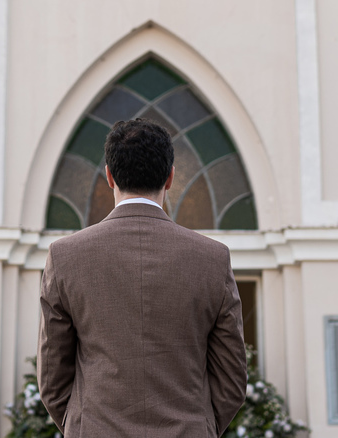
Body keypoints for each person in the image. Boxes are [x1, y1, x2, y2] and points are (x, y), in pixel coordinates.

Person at [37, 117, 248, 438]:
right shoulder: (213, 258)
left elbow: (52, 378)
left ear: (109, 176)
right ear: (170, 177)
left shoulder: (65, 256)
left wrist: (85, 426)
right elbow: (232, 380)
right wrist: (200, 427)